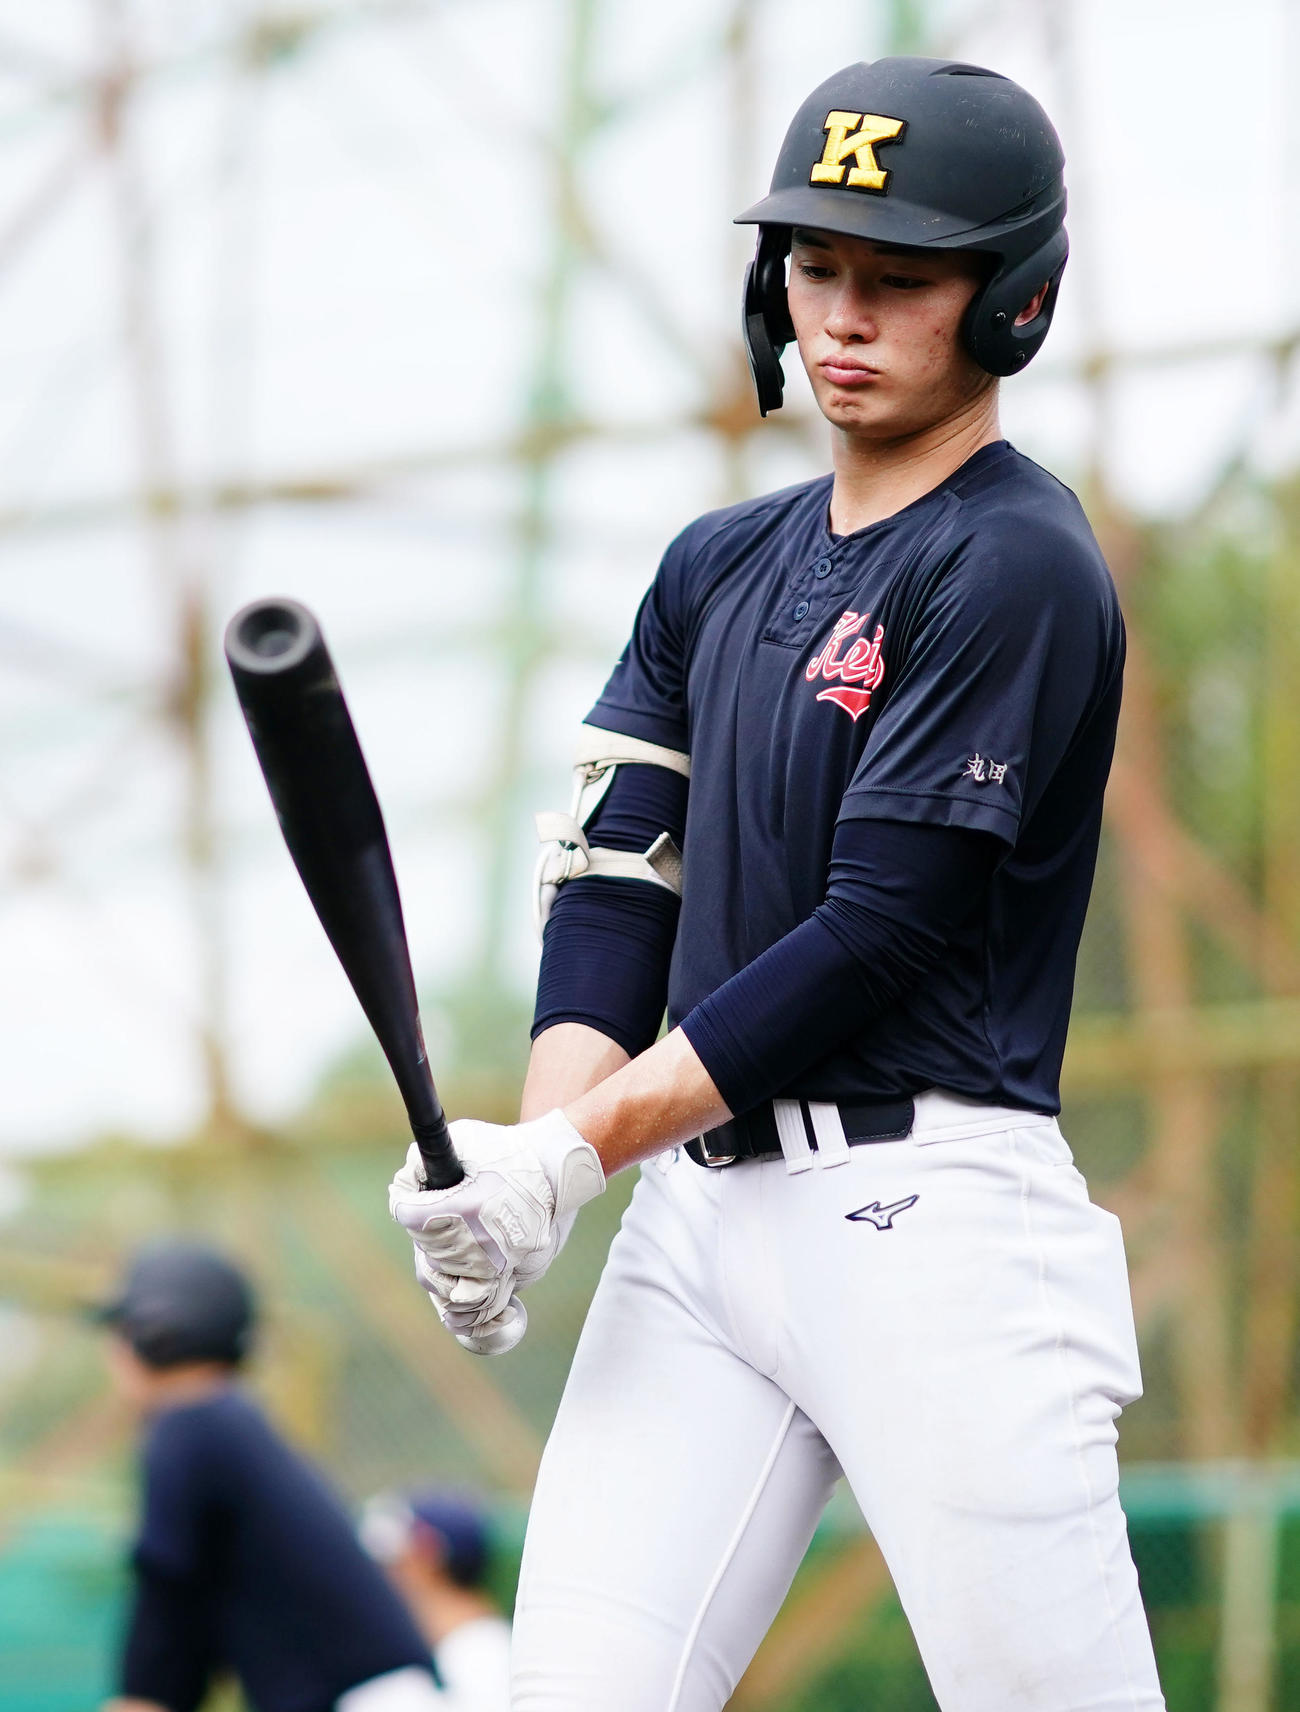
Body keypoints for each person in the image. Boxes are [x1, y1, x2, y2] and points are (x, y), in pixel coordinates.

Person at [389, 55, 1167, 1712]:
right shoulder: (714, 562)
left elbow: (874, 935)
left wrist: (580, 1150)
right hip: (697, 1215)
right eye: (817, 267)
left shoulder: (1015, 557)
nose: (846, 316)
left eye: (902, 281)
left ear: (1013, 301)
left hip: (929, 1213)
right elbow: (617, 879)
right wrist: (541, 1151)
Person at [97, 1241, 441, 1712]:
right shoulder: (226, 1422)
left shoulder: (190, 1422)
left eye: (122, 1329)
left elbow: (168, 1595)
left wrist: (146, 1694)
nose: (113, 1351)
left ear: (156, 1333)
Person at [359, 1490, 511, 1712]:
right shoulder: (458, 1650)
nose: (383, 1573)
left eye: (392, 1559)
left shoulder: (482, 1655)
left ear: (428, 1555)